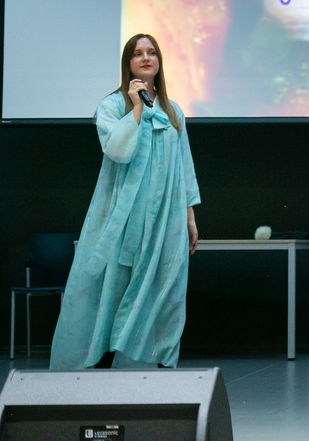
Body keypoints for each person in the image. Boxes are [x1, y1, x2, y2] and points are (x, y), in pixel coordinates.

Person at [50, 33, 200, 369]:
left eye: (152, 52)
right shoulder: (113, 105)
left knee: (167, 283)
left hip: (165, 214)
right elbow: (117, 150)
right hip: (125, 212)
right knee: (113, 284)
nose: (146, 58)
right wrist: (137, 108)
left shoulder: (173, 110)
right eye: (138, 53)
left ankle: (163, 358)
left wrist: (189, 215)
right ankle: (102, 354)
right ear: (128, 63)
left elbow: (184, 165)